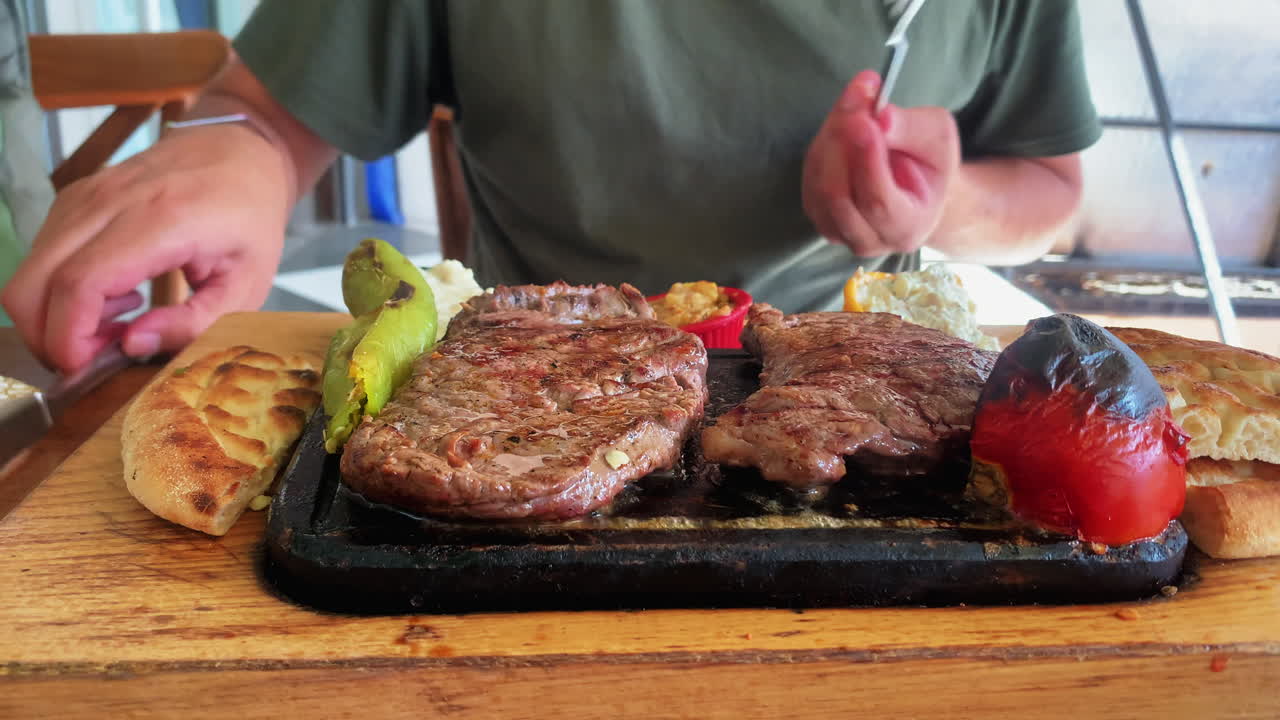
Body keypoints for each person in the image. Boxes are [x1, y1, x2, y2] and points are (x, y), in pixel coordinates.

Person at [3, 0, 1100, 376]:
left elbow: (1054, 190)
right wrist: (239, 145)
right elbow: (271, 110)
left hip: (860, 378)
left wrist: (931, 206)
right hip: (515, 383)